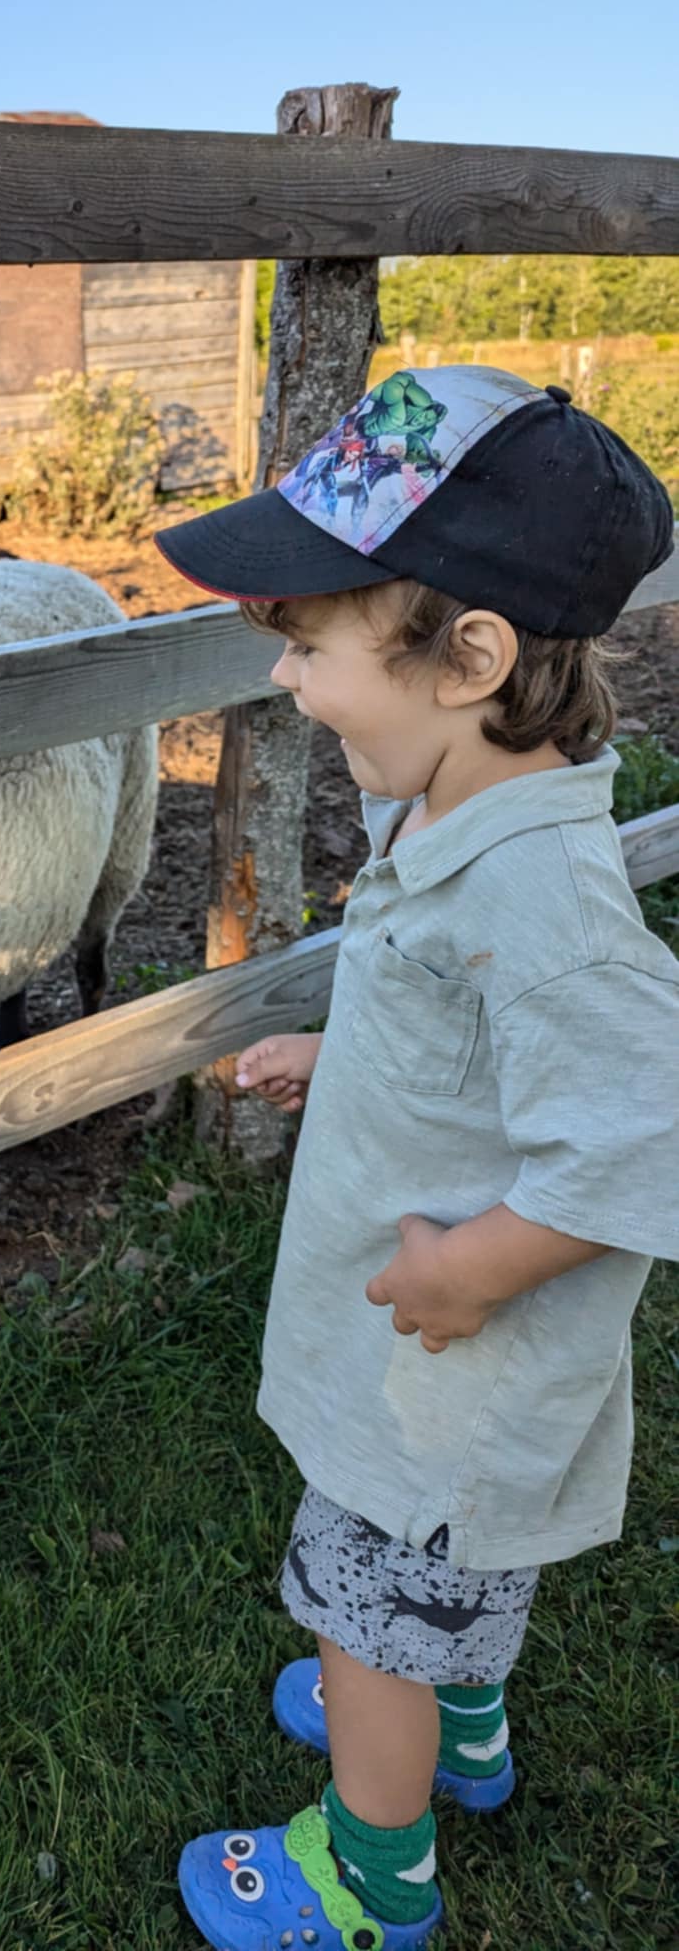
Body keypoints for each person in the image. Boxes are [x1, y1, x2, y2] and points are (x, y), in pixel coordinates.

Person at [154, 366, 679, 1949]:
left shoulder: (539, 904)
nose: (292, 680)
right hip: (436, 1376)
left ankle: (368, 1880)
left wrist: (471, 1266)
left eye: (311, 645)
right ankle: (464, 1738)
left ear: (470, 657)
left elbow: (644, 1131)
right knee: (443, 1582)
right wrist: (352, 1052)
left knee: (370, 1615)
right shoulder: (458, 817)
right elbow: (488, 1044)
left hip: (436, 1376)